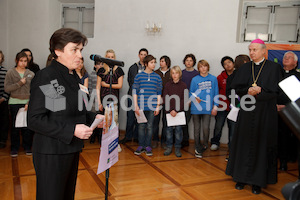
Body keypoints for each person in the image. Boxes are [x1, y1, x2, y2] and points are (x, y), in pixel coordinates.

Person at [27, 28, 104, 200]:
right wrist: (72, 130)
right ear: (58, 51)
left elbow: (68, 111)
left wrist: (95, 119)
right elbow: (35, 120)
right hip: (51, 152)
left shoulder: (73, 77)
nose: (79, 55)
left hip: (70, 149)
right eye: (74, 50)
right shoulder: (46, 76)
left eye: (81, 50)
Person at [225, 39, 283, 194]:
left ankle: (257, 181)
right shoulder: (244, 68)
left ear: (264, 51)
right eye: (250, 49)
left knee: (261, 145)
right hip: (246, 111)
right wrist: (248, 91)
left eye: (255, 50)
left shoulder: (274, 68)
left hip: (265, 112)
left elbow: (278, 92)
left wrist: (261, 92)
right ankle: (241, 178)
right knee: (243, 143)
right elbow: (236, 88)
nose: (251, 53)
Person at [4, 51, 35, 157]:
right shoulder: (10, 72)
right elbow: (7, 88)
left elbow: (33, 91)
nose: (23, 63)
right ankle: (14, 148)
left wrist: (29, 102)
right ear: (16, 61)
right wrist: (19, 83)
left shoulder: (31, 73)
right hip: (14, 102)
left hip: (27, 103)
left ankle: (27, 147)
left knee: (27, 127)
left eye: (25, 61)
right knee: (15, 127)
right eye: (21, 61)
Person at [133, 55, 162, 156]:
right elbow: (135, 91)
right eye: (151, 62)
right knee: (141, 126)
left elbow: (159, 93)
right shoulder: (139, 76)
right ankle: (141, 145)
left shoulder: (157, 77)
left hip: (152, 106)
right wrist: (135, 105)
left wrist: (157, 106)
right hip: (140, 106)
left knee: (150, 127)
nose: (153, 64)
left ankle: (148, 146)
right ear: (146, 64)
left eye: (154, 62)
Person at [190, 59, 218, 158]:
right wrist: (195, 98)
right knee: (197, 129)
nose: (203, 68)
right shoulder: (194, 79)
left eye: (205, 66)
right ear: (198, 68)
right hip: (196, 108)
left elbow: (216, 93)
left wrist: (215, 106)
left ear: (208, 67)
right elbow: (191, 93)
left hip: (207, 108)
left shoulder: (213, 79)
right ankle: (197, 147)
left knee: (206, 128)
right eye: (201, 66)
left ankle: (205, 144)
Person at [97, 49, 124, 152]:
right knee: (104, 122)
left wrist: (107, 85)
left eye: (112, 57)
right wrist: (98, 102)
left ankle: (114, 143)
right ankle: (104, 143)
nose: (110, 58)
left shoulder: (119, 70)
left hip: (114, 99)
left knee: (114, 122)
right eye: (108, 56)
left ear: (114, 58)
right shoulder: (101, 70)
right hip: (103, 99)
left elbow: (120, 85)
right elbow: (97, 87)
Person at [277, 51, 300, 171]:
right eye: (285, 56)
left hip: (289, 112)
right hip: (274, 110)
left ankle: (284, 161)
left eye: (289, 57)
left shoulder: (298, 76)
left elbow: (298, 97)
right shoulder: (277, 74)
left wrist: (285, 107)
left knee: (286, 137)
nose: (285, 58)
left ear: (295, 63)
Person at [120, 48, 148, 144]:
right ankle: (128, 136)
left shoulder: (149, 68)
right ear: (138, 55)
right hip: (132, 95)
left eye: (145, 55)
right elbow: (130, 81)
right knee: (130, 117)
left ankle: (137, 137)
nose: (143, 56)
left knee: (140, 117)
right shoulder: (133, 67)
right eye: (141, 54)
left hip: (144, 97)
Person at [210, 56, 235, 151]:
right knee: (218, 126)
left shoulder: (238, 75)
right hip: (222, 106)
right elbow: (215, 92)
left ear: (233, 63)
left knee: (232, 128)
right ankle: (215, 142)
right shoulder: (220, 78)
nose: (228, 65)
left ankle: (231, 146)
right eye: (225, 64)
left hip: (234, 107)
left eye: (229, 62)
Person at [163, 66, 187, 157]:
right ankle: (169, 147)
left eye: (176, 73)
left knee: (178, 131)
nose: (174, 75)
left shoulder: (183, 85)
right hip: (169, 112)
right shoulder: (168, 85)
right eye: (173, 73)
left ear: (179, 74)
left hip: (179, 112)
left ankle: (177, 148)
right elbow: (165, 98)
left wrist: (176, 110)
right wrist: (170, 110)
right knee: (168, 131)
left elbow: (184, 99)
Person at [152, 55, 171, 148]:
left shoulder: (171, 73)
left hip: (168, 101)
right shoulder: (155, 73)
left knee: (165, 122)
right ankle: (155, 139)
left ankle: (164, 140)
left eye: (163, 61)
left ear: (167, 62)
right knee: (155, 121)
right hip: (156, 101)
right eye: (160, 61)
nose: (161, 63)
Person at [181, 53, 198, 147]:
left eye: (191, 60)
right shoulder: (181, 73)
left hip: (194, 101)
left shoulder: (197, 73)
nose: (188, 62)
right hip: (182, 101)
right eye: (187, 60)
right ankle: (183, 139)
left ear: (193, 62)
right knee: (183, 121)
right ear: (184, 62)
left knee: (191, 121)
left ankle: (187, 140)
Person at [89, 60, 103, 144]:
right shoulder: (92, 74)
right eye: (98, 64)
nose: (100, 66)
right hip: (93, 99)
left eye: (102, 64)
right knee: (93, 118)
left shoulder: (104, 75)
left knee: (101, 118)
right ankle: (92, 136)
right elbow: (90, 87)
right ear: (95, 66)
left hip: (102, 98)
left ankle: (100, 137)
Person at [0, 50, 9, 148]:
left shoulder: (5, 72)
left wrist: (3, 98)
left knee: (4, 121)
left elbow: (7, 87)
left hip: (3, 101)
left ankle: (3, 140)